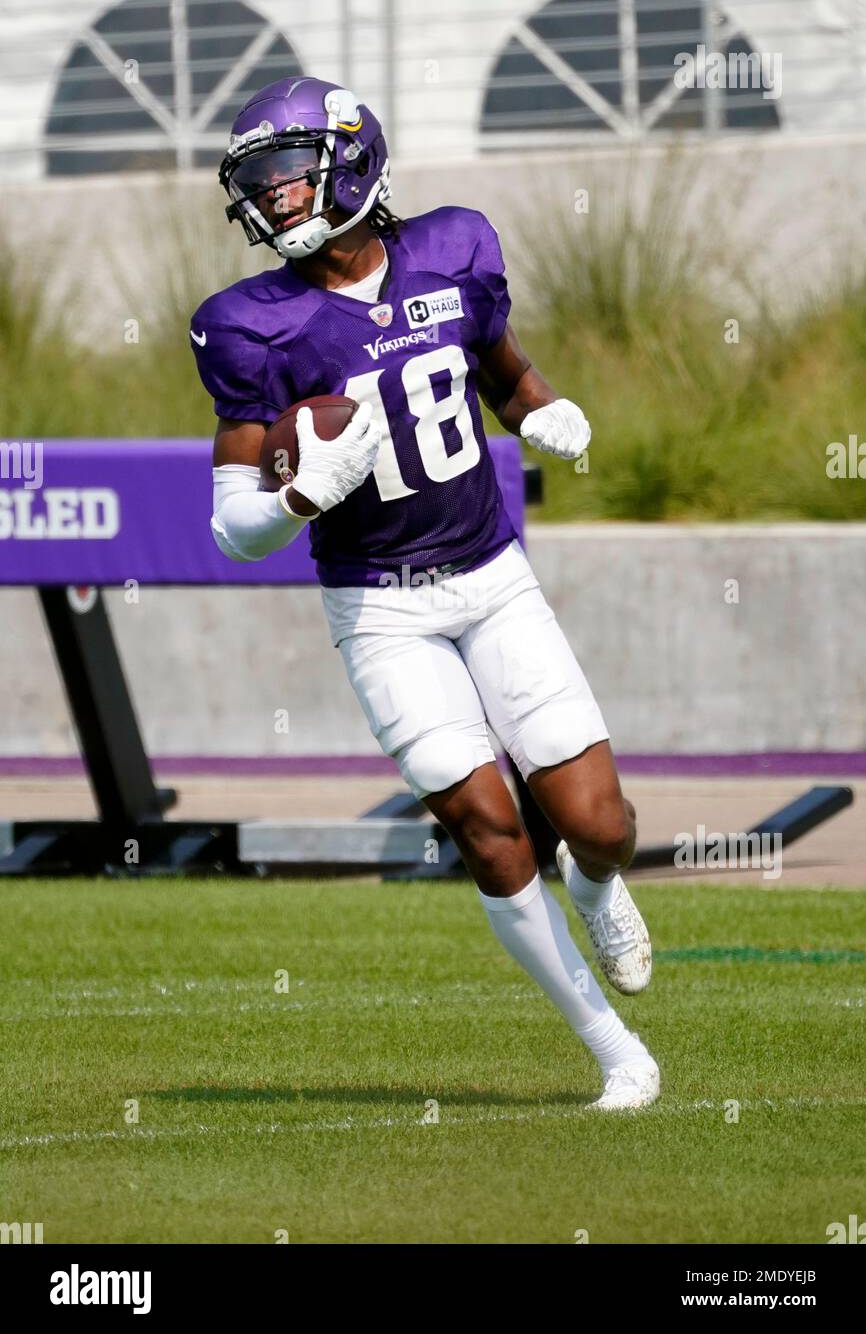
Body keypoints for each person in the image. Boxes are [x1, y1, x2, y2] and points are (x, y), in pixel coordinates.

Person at [190, 76, 658, 1110]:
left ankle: (595, 882)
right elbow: (231, 525)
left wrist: (541, 408)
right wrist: (295, 499)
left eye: (283, 170)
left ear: (350, 155)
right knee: (488, 828)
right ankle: (613, 1048)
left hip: (491, 581)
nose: (270, 197)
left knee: (601, 820)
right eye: (254, 182)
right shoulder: (246, 324)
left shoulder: (455, 248)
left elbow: (498, 369)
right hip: (379, 607)